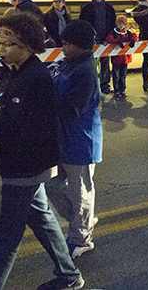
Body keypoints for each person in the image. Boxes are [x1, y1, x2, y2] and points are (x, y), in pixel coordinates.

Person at [0, 12, 83, 290]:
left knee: (6, 238)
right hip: (22, 163)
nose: (1, 49)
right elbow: (17, 120)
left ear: (28, 46)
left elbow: (35, 130)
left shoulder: (37, 77)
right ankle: (70, 276)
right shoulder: (15, 73)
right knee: (43, 221)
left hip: (27, 166)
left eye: (8, 45)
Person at [45, 20, 103, 261]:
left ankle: (82, 239)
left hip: (82, 139)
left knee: (81, 192)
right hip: (64, 137)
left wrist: (42, 102)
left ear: (80, 46)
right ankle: (83, 221)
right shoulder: (68, 63)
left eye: (67, 44)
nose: (63, 48)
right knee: (52, 185)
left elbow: (72, 108)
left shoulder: (85, 71)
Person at [79, 0, 116, 95]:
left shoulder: (109, 8)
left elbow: (112, 24)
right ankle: (91, 86)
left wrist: (109, 37)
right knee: (91, 64)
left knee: (105, 64)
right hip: (92, 41)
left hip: (105, 40)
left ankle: (105, 85)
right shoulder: (87, 9)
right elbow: (83, 24)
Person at [105, 14, 136, 99]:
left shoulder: (128, 33)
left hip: (125, 59)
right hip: (116, 59)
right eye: (119, 23)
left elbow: (134, 36)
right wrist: (117, 41)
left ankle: (122, 90)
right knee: (116, 75)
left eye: (122, 23)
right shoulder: (113, 33)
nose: (120, 25)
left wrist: (133, 40)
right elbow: (109, 38)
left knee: (123, 75)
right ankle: (116, 91)